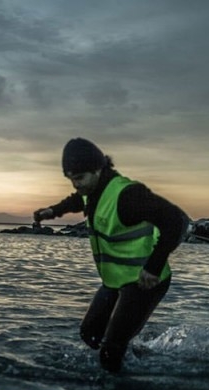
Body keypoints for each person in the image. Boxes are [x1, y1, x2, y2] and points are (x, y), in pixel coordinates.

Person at [33, 138, 188, 373]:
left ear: (98, 169)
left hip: (145, 283)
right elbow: (78, 200)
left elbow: (177, 221)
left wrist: (154, 267)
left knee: (110, 351)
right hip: (116, 282)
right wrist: (53, 211)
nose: (75, 185)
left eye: (79, 178)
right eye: (71, 179)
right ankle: (134, 359)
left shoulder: (127, 195)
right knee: (90, 334)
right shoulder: (93, 190)